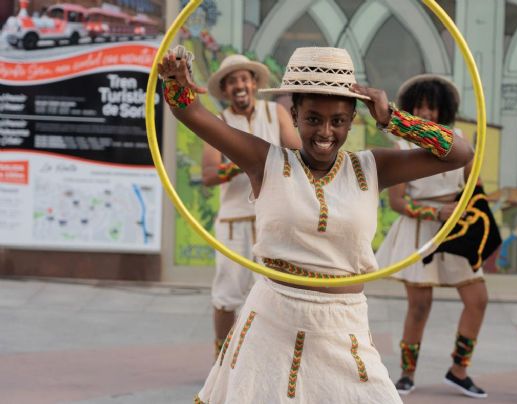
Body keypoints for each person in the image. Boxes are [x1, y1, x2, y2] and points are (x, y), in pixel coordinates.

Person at [158, 45, 473, 403]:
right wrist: (175, 76)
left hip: (343, 330)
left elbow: (460, 154)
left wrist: (391, 119)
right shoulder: (266, 161)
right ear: (293, 115)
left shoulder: (373, 167)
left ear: (354, 119)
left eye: (338, 120)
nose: (325, 132)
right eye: (312, 119)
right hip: (270, 325)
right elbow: (189, 111)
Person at [375, 75, 489, 398]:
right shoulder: (401, 147)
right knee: (420, 305)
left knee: (477, 298)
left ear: (443, 110)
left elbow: (474, 184)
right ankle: (407, 374)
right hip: (420, 230)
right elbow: (397, 201)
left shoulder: (460, 140)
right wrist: (433, 213)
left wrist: (467, 210)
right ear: (410, 108)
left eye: (432, 107)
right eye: (420, 106)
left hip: (458, 228)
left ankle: (459, 370)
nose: (426, 113)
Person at [201, 54, 300, 358]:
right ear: (225, 89)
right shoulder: (219, 123)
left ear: (254, 83)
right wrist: (243, 163)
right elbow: (208, 175)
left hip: (272, 220)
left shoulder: (275, 113)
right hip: (233, 223)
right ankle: (221, 360)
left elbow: (298, 156)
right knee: (226, 296)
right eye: (232, 82)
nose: (239, 86)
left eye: (244, 78)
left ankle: (269, 359)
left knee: (277, 294)